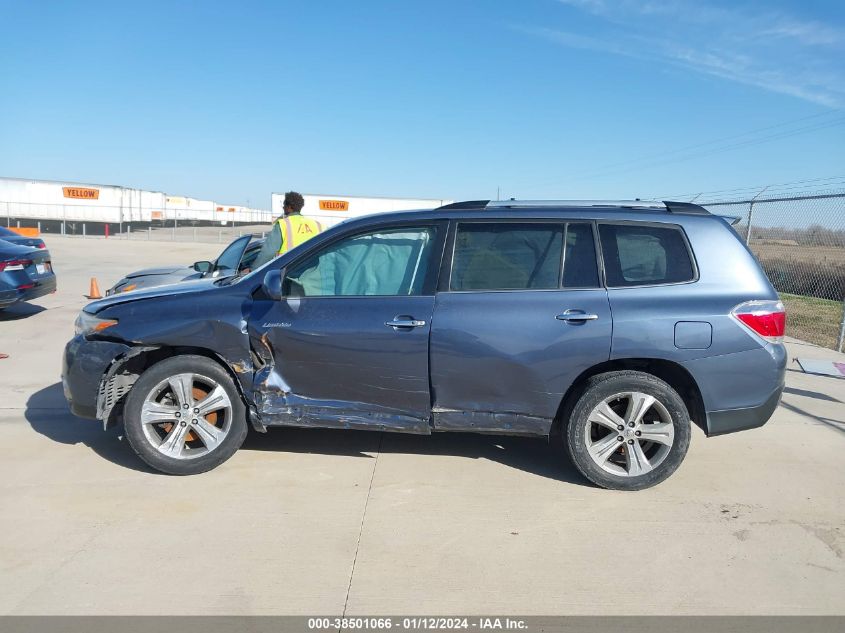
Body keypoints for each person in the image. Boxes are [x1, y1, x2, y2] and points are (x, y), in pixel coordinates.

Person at [253, 191, 323, 268]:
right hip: (314, 273)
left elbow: (267, 253)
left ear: (289, 207)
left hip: (291, 274)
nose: (283, 207)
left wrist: (252, 270)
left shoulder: (283, 224)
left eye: (284, 205)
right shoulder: (317, 225)